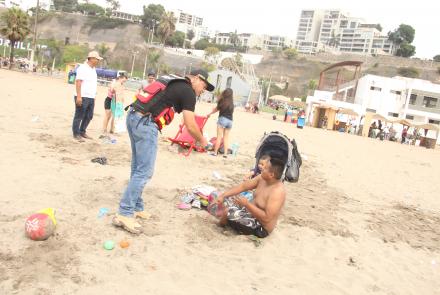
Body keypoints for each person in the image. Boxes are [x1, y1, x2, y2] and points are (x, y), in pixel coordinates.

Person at [113, 69, 214, 234]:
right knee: (144, 172)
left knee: (138, 167)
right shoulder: (188, 91)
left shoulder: (173, 80)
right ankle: (124, 213)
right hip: (146, 123)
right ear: (196, 78)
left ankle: (137, 207)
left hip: (133, 116)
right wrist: (203, 142)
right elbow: (190, 123)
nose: (203, 90)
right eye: (204, 85)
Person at [217, 158, 286, 238]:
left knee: (226, 212)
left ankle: (220, 227)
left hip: (260, 228)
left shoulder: (277, 192)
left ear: (271, 175)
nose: (262, 168)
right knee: (225, 200)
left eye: (265, 168)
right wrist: (223, 196)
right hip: (250, 212)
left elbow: (267, 218)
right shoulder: (262, 178)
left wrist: (247, 204)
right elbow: (243, 186)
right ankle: (227, 221)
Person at [72, 51, 102, 141]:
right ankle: (76, 133)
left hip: (91, 97)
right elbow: (78, 82)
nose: (98, 61)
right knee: (79, 115)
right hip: (82, 96)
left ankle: (82, 131)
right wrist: (79, 96)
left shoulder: (93, 69)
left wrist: (94, 95)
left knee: (89, 116)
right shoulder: (83, 68)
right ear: (91, 59)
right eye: (97, 59)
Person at [206, 88, 234, 158]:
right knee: (226, 138)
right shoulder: (232, 104)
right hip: (230, 121)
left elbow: (216, 109)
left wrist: (210, 113)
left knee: (219, 137)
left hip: (222, 119)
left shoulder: (222, 101)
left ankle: (215, 153)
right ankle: (225, 154)